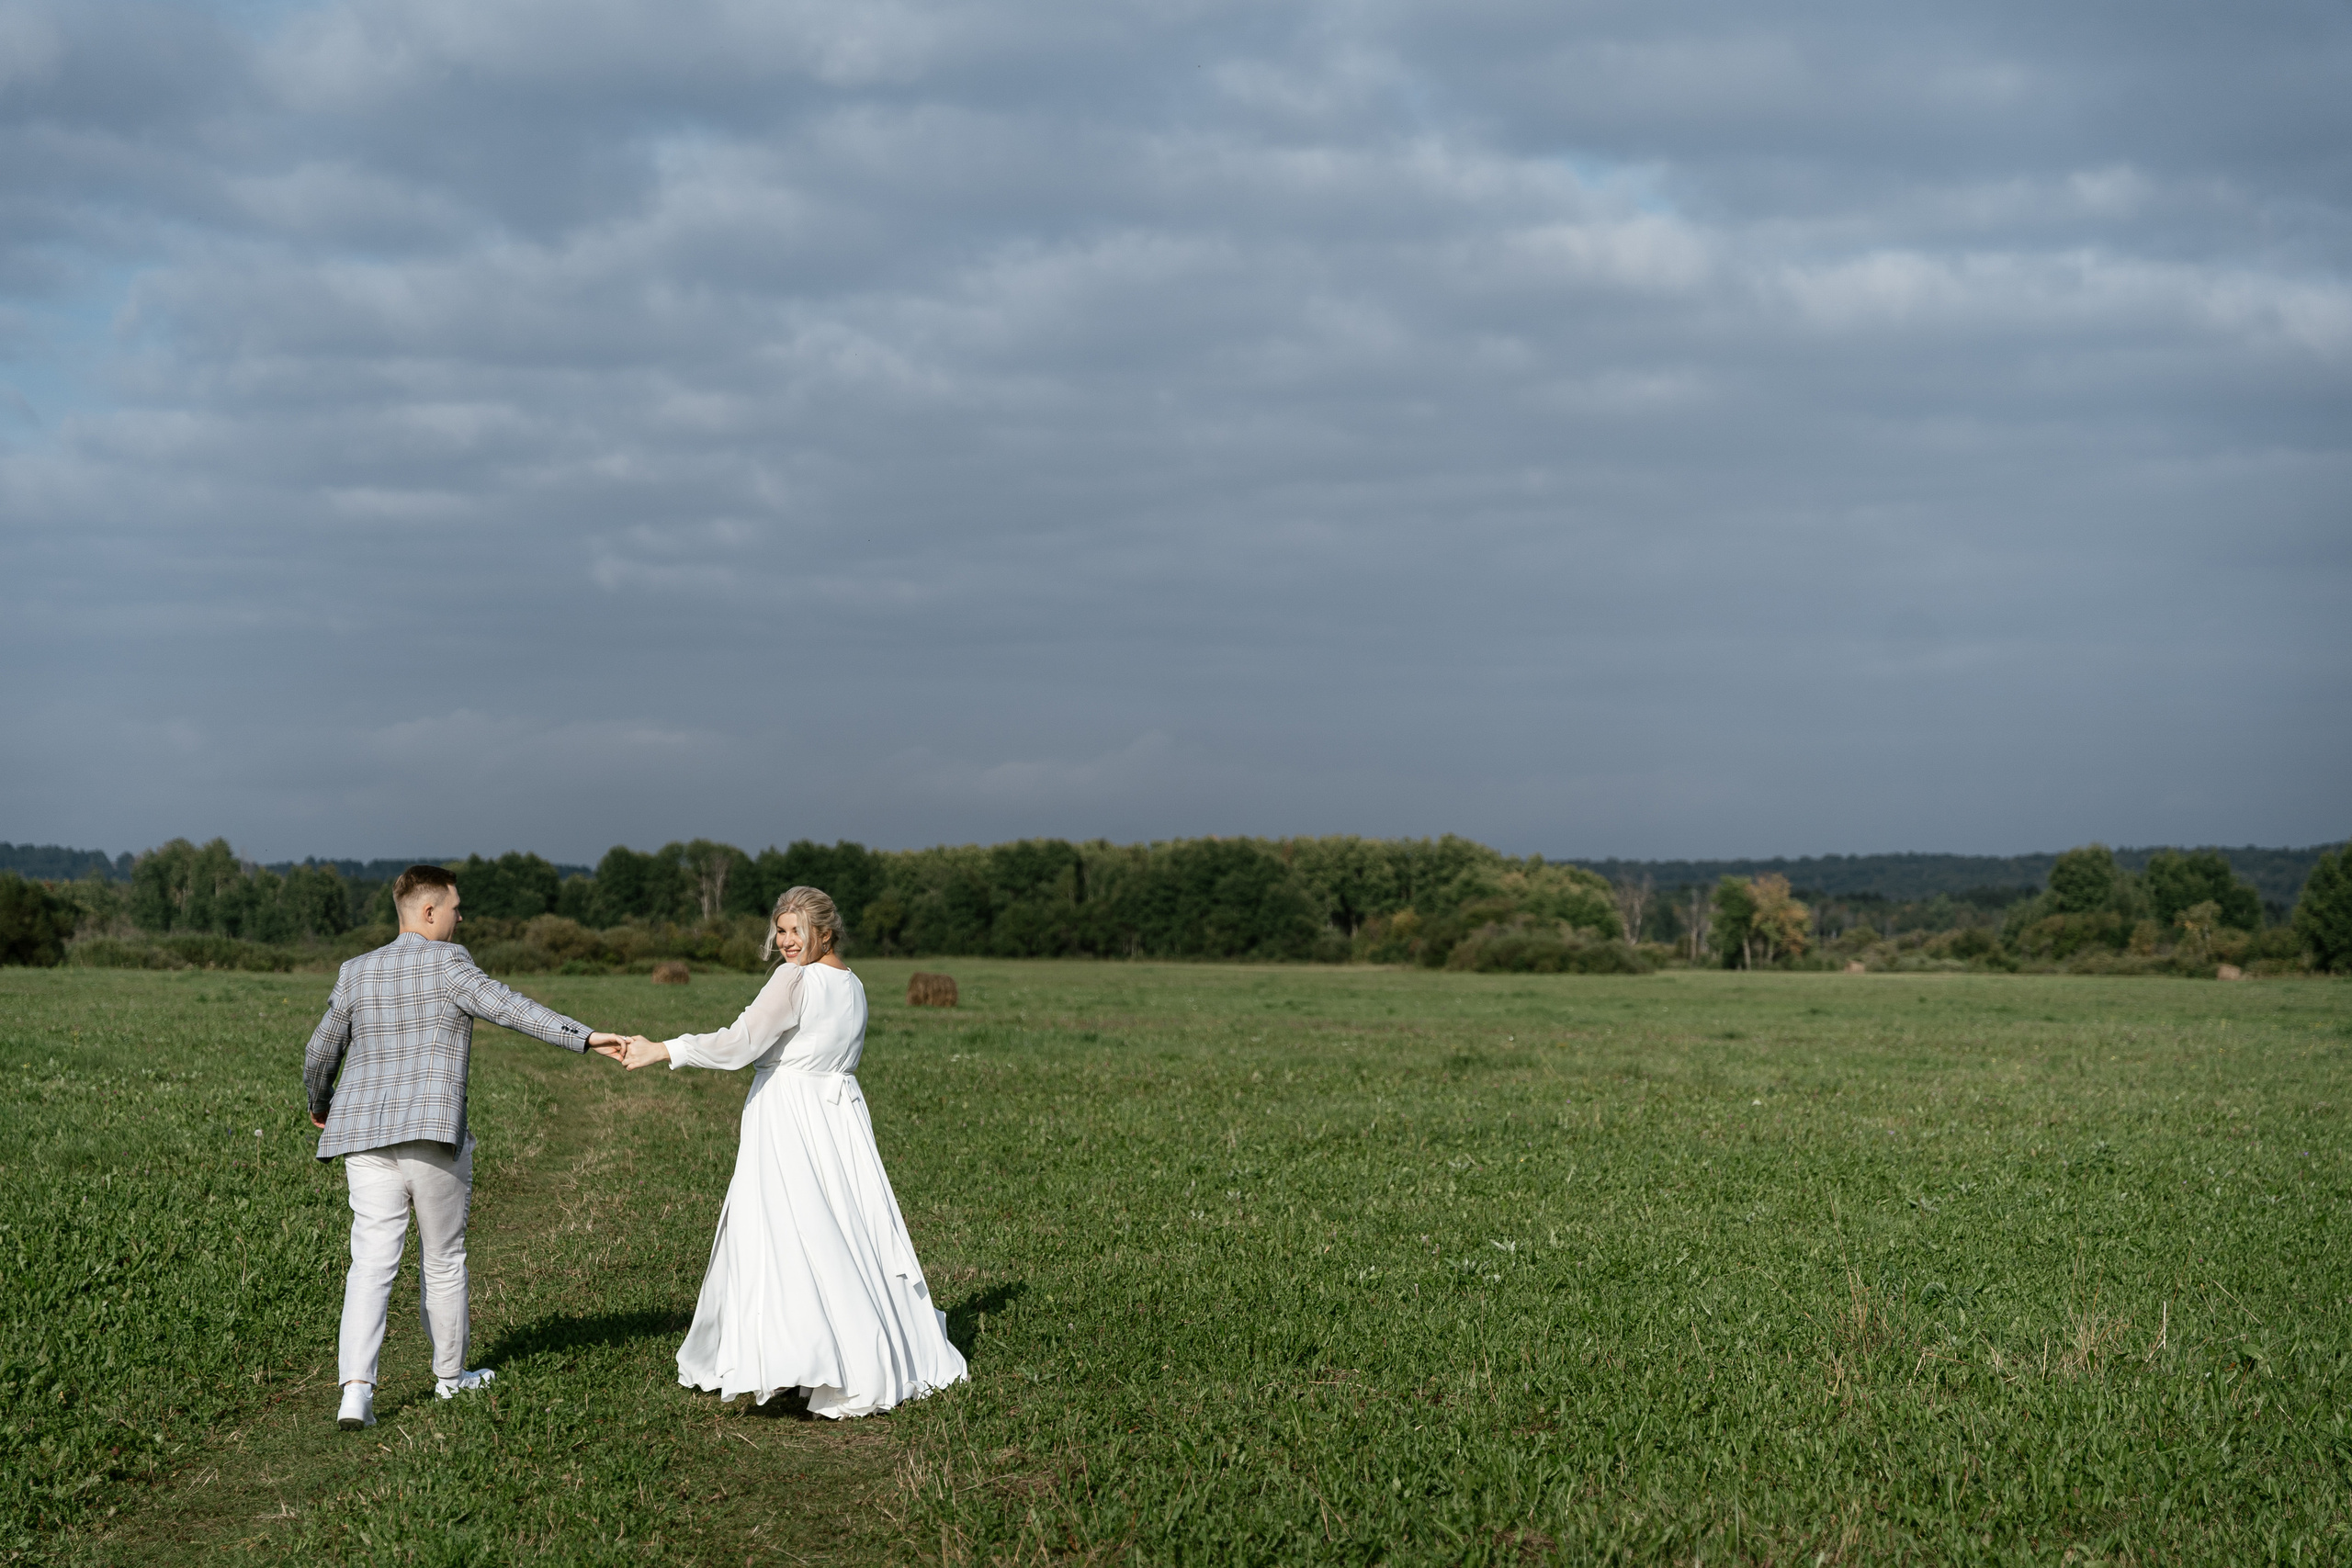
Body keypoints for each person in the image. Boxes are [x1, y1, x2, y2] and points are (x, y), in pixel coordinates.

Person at [617, 885, 968, 1417]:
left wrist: (666, 1049)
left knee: (783, 1231)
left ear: (825, 932)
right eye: (780, 930)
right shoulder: (853, 984)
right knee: (843, 1230)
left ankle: (799, 1358)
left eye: (796, 931)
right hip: (837, 1116)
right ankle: (842, 1349)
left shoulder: (797, 978)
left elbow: (741, 1043)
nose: (785, 942)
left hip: (789, 1115)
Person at [304, 863, 629, 1431]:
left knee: (371, 1264)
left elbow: (320, 1049)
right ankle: (451, 1381)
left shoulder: (357, 970)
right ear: (428, 912)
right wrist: (584, 1036)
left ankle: (355, 1391)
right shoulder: (452, 965)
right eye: (456, 907)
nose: (461, 917)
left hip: (362, 1137)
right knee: (444, 1258)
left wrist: (320, 1102)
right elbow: (513, 1009)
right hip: (432, 1134)